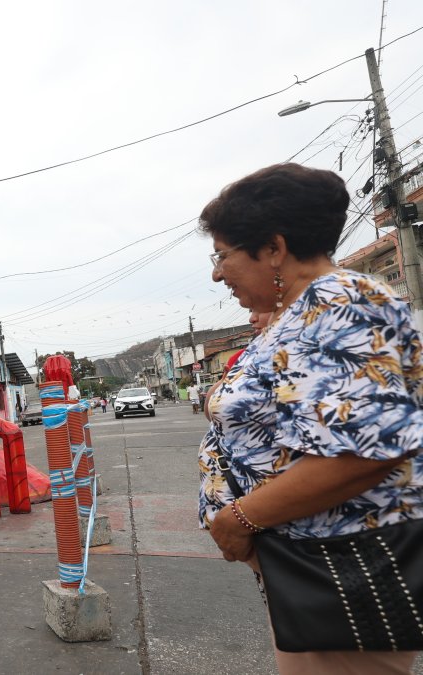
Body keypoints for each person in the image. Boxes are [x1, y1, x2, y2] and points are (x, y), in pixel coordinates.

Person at [197, 163, 423, 673]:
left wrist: (238, 519)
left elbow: (362, 452)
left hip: (344, 560)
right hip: (308, 559)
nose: (217, 273)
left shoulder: (342, 305)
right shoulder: (299, 314)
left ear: (274, 248)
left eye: (223, 255)